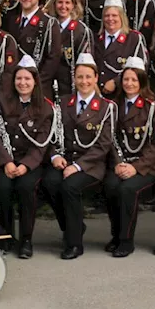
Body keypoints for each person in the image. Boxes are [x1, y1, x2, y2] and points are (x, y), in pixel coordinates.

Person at [42, 54, 114, 259]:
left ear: (96, 78)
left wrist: (78, 166)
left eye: (88, 77)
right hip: (64, 159)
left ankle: (74, 243)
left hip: (91, 165)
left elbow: (103, 144)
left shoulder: (106, 107)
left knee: (69, 186)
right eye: (80, 77)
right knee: (49, 182)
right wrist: (55, 156)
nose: (84, 81)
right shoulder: (63, 102)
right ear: (74, 79)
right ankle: (74, 226)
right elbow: (52, 134)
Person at [0, 55, 58, 259]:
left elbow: (42, 143)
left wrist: (26, 165)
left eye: (27, 79)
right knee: (1, 187)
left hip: (30, 162)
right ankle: (6, 236)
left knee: (26, 187)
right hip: (6, 160)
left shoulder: (46, 107)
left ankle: (26, 239)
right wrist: (7, 162)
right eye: (19, 78)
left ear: (35, 81)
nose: (23, 83)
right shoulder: (0, 102)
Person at [103, 57, 155, 257]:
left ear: (141, 82)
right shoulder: (114, 105)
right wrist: (118, 163)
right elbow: (109, 138)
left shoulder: (152, 107)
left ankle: (126, 240)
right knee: (111, 186)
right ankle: (115, 235)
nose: (129, 84)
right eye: (126, 79)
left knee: (127, 190)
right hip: (120, 162)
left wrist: (135, 167)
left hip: (144, 166)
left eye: (134, 80)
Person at [4, 0, 63, 87]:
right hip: (15, 85)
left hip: (39, 86)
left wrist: (35, 82)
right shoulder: (11, 21)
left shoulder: (49, 23)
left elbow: (53, 58)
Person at [44, 0, 91, 99]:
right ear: (54, 4)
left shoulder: (81, 30)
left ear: (73, 5)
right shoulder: (47, 26)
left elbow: (85, 62)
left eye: (67, 3)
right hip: (47, 85)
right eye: (60, 2)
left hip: (70, 87)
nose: (63, 6)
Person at [94, 0, 147, 99]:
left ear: (121, 17)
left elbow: (141, 68)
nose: (110, 19)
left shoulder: (133, 38)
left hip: (122, 95)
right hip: (98, 96)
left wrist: (116, 82)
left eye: (114, 15)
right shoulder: (96, 39)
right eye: (107, 15)